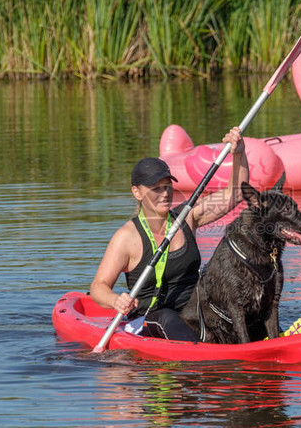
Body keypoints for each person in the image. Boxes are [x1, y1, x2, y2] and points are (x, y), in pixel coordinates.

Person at [89, 127, 249, 341]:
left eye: (167, 186)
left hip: (194, 311)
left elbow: (236, 193)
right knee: (167, 319)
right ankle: (204, 356)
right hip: (150, 319)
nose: (165, 194)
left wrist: (238, 153)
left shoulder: (187, 216)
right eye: (156, 189)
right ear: (137, 192)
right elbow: (98, 287)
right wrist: (116, 300)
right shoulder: (127, 237)